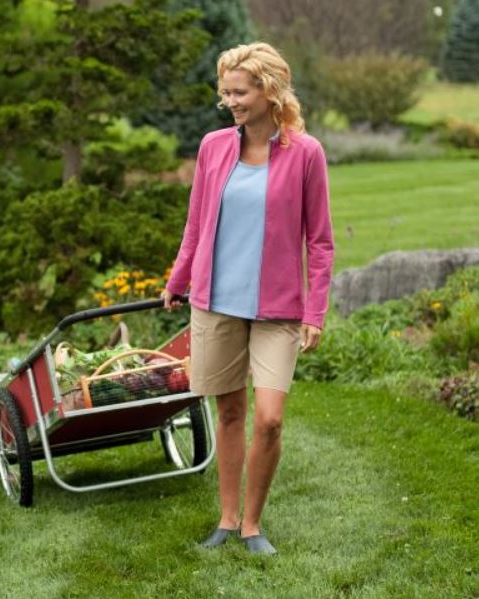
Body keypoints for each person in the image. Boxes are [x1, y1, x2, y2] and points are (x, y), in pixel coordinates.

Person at [161, 42, 334, 555]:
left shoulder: (306, 153)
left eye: (240, 91)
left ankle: (255, 525)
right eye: (226, 93)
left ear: (269, 90)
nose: (231, 101)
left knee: (270, 417)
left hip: (278, 309)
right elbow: (196, 224)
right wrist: (178, 279)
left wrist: (315, 311)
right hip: (216, 303)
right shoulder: (214, 147)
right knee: (231, 412)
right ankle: (229, 519)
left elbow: (320, 242)